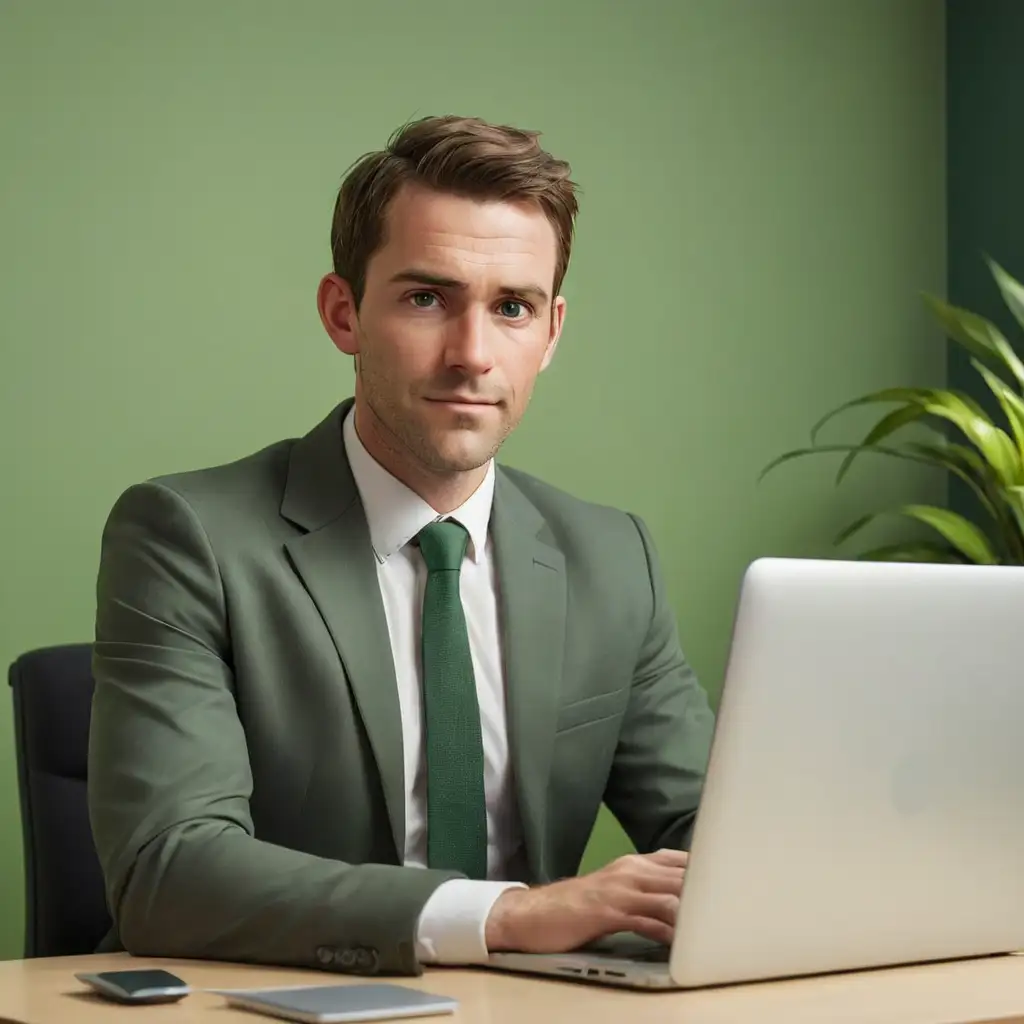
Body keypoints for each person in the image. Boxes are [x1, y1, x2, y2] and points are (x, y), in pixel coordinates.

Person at [87, 114, 716, 978]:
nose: (473, 355)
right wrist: (509, 914)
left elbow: (721, 837)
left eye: (513, 309)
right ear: (343, 314)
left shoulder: (612, 558)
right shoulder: (186, 538)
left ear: (553, 332)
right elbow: (169, 871)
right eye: (427, 298)